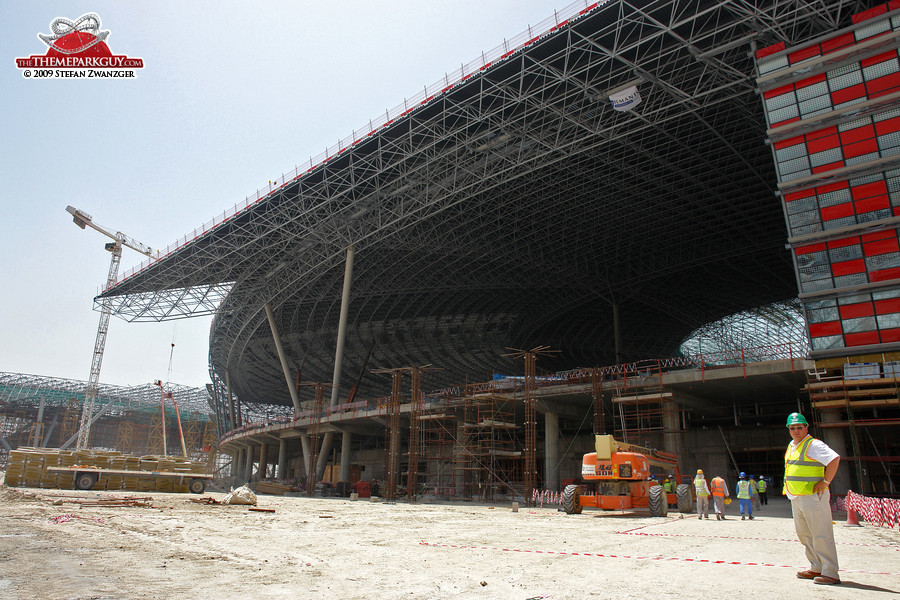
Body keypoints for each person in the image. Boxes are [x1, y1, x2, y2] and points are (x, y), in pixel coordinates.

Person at [784, 412, 841, 585]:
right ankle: (816, 566)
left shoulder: (813, 444)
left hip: (813, 497)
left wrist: (825, 481)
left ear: (806, 427)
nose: (796, 430)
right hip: (796, 496)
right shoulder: (792, 445)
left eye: (799, 427)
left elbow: (834, 459)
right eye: (792, 428)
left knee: (821, 533)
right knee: (805, 535)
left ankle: (830, 572)